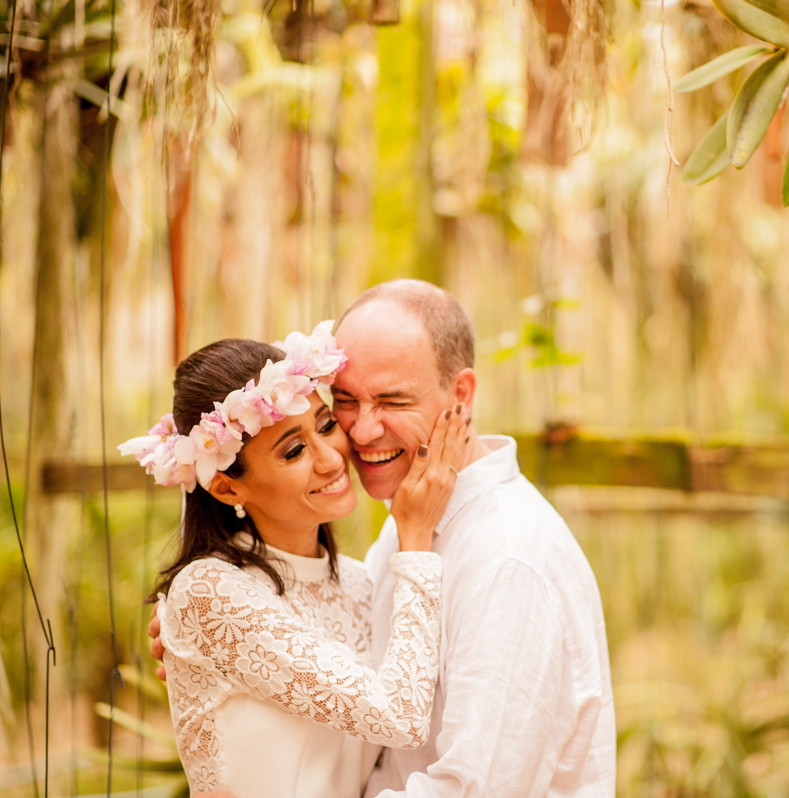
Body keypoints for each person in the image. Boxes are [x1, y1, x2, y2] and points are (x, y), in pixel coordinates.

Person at [150, 280, 617, 798]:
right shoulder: (401, 534)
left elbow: (473, 789)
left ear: (459, 396)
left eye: (392, 400)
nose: (361, 432)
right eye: (345, 401)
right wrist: (205, 634)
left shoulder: (507, 556)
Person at [125, 325, 470, 798]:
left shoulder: (359, 582)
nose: (331, 458)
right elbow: (400, 718)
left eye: (326, 425)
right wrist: (415, 539)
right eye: (294, 450)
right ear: (227, 487)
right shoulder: (209, 592)